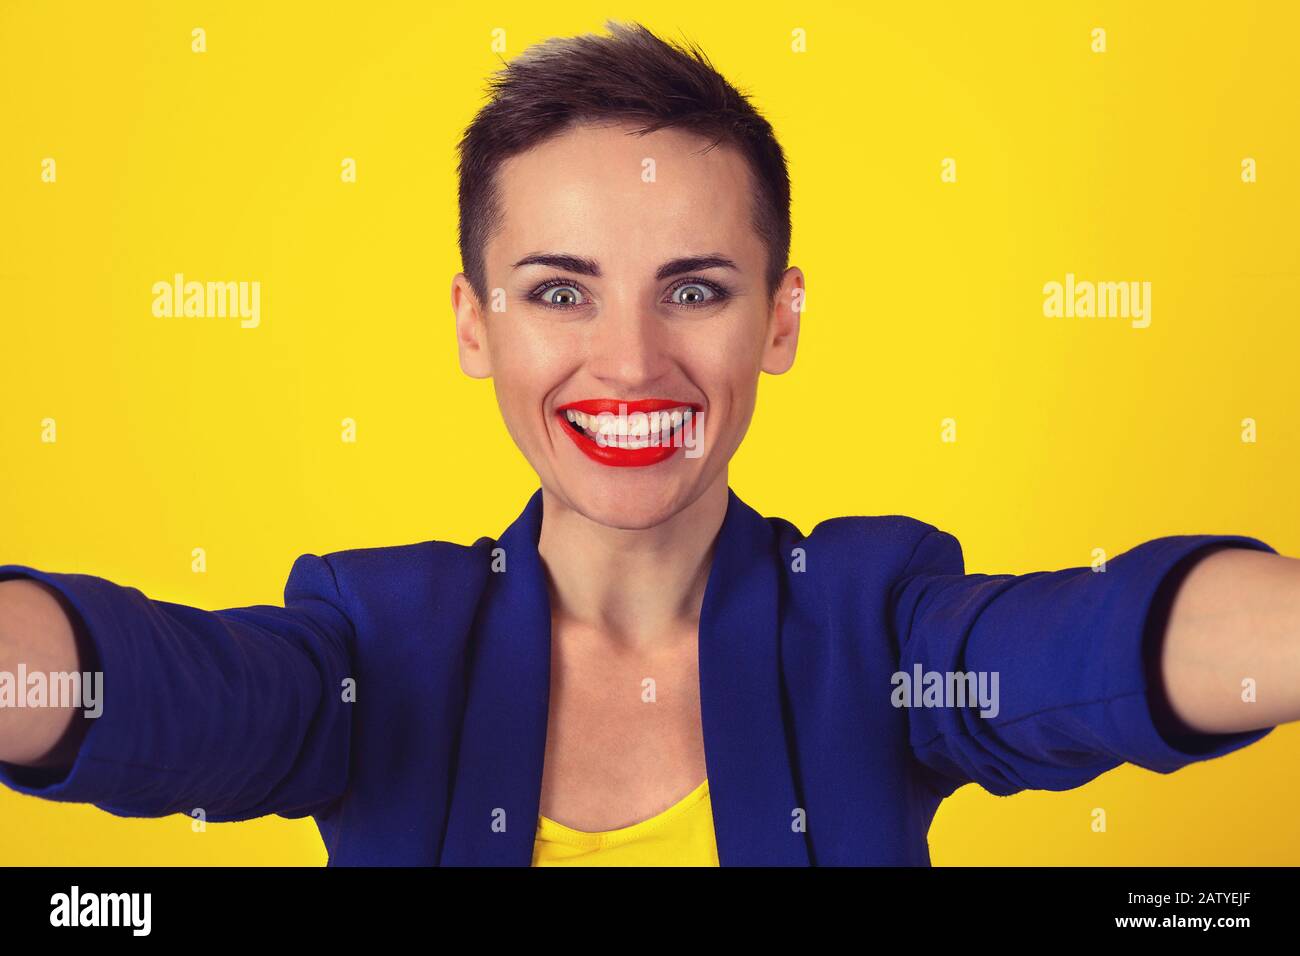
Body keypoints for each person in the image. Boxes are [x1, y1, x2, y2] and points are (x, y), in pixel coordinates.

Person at [0, 20, 1296, 867]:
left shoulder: (874, 628)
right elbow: (175, 690)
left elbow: (1087, 646)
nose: (629, 362)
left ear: (779, 319)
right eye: (561, 291)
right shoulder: (375, 642)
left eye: (695, 288)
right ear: (474, 324)